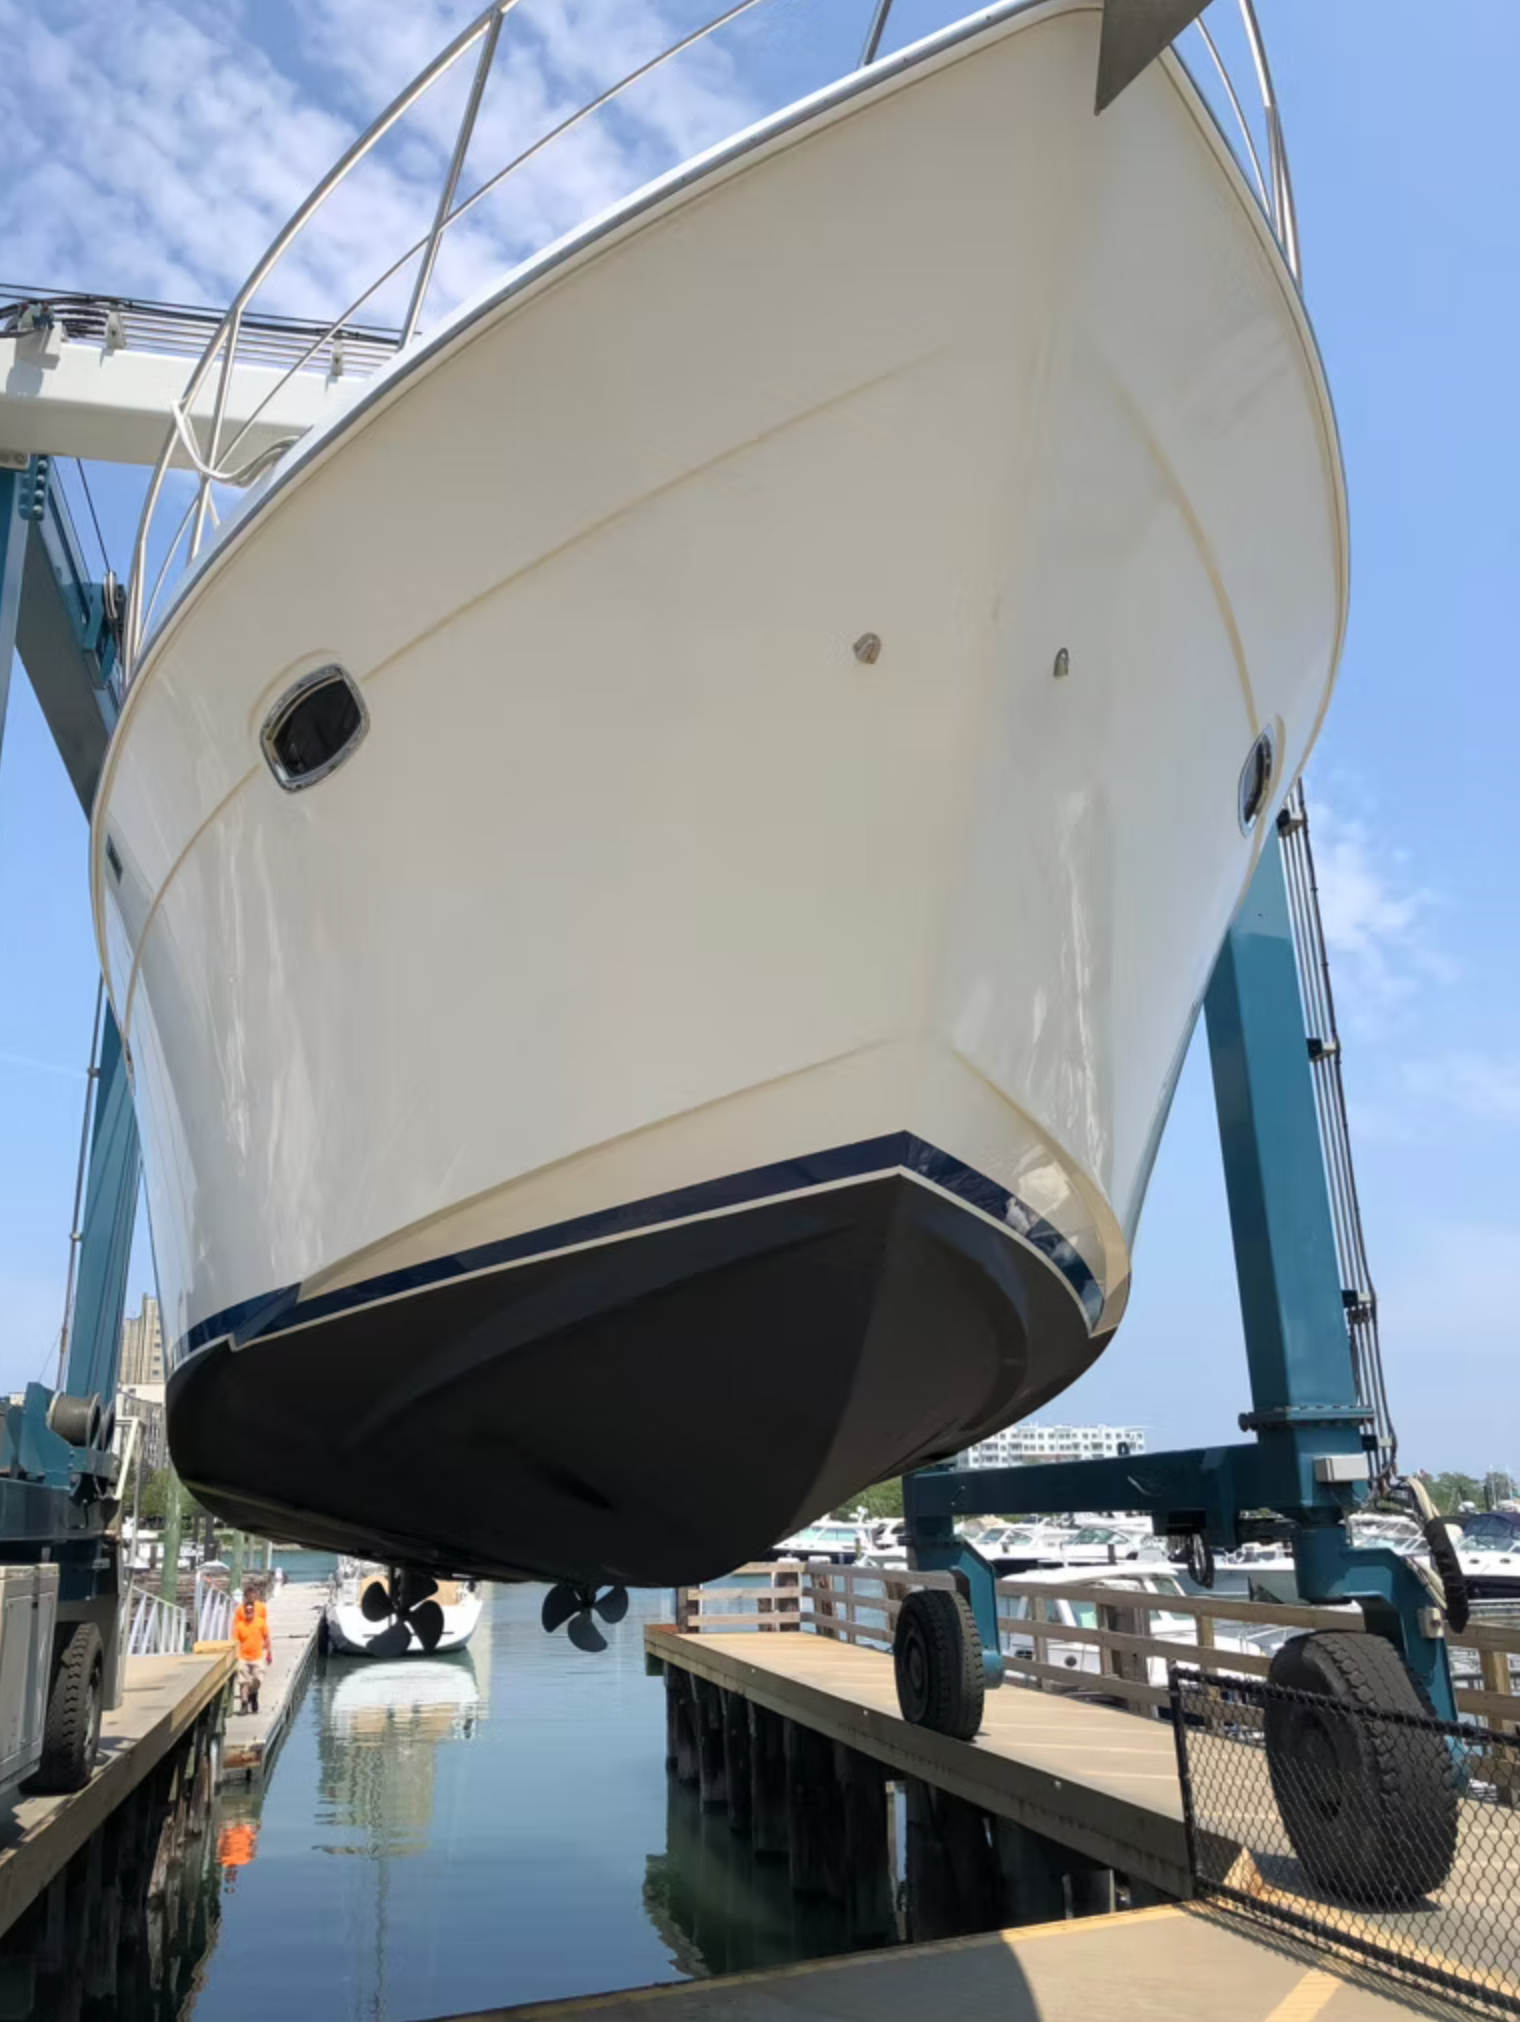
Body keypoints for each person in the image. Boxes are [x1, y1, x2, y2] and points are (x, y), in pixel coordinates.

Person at [233, 1592, 272, 1714]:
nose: (249, 1612)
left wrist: (269, 1653)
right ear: (244, 1611)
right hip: (243, 1656)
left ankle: (253, 1694)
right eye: (247, 1610)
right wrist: (235, 1657)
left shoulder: (260, 1622)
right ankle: (244, 1704)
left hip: (257, 1656)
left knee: (258, 1679)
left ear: (254, 1610)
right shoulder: (239, 1626)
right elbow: (235, 1642)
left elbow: (267, 1637)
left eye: (251, 1610)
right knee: (243, 1680)